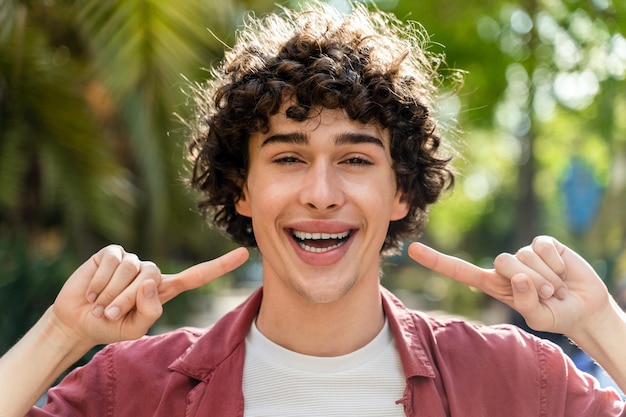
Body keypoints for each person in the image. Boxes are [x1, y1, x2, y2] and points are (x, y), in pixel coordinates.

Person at [1, 2, 625, 416]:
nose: (322, 193)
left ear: (401, 190)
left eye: (355, 160)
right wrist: (61, 335)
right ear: (241, 187)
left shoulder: (516, 380)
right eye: (289, 158)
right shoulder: (133, 388)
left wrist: (600, 324)